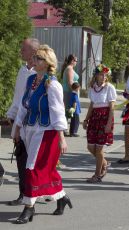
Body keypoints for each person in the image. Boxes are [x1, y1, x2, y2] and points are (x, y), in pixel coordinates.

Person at [13, 45, 72, 224]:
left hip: (47, 132)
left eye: (39, 58)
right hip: (30, 129)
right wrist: (16, 128)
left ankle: (28, 208)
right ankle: (62, 197)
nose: (35, 60)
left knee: (31, 168)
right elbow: (24, 105)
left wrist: (62, 138)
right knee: (46, 170)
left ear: (47, 64)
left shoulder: (52, 84)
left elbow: (58, 112)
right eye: (35, 57)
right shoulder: (31, 79)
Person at [6, 38, 40, 206]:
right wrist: (11, 116)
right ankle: (23, 193)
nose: (21, 52)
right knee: (21, 158)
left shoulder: (40, 73)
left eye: (24, 49)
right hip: (19, 121)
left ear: (34, 53)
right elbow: (17, 97)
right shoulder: (22, 70)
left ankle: (42, 192)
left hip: (34, 123)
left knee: (33, 161)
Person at [83, 64, 116, 183]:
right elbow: (92, 105)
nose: (103, 77)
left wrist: (109, 123)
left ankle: (97, 175)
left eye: (105, 75)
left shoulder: (109, 88)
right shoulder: (92, 88)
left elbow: (112, 106)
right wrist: (86, 119)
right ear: (96, 75)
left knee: (99, 148)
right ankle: (105, 163)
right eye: (101, 74)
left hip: (105, 117)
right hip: (94, 118)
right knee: (90, 146)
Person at [61, 54, 79, 135]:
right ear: (72, 61)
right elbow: (70, 82)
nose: (76, 62)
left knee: (68, 110)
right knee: (69, 110)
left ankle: (66, 129)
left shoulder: (69, 68)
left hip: (69, 91)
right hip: (69, 92)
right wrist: (74, 92)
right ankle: (65, 130)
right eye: (76, 61)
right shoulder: (69, 69)